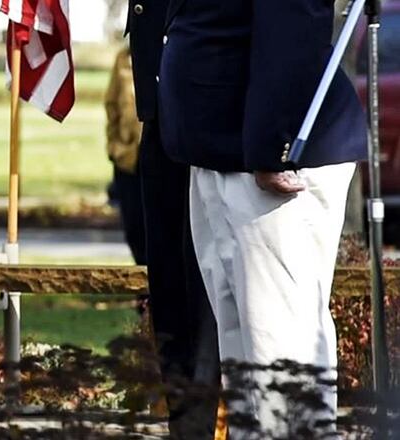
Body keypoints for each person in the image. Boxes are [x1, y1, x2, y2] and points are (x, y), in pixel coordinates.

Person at [158, 0, 368, 436]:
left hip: (266, 155)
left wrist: (274, 143)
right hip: (219, 148)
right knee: (245, 368)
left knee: (280, 357)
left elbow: (292, 18)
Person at [125, 1, 221, 437]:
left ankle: (207, 426)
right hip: (160, 118)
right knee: (171, 294)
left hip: (212, 116)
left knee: (208, 298)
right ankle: (187, 428)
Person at [105, 47, 146, 265]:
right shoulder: (123, 58)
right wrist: (115, 146)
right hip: (129, 158)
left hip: (162, 157)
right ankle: (142, 292)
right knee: (134, 226)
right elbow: (111, 105)